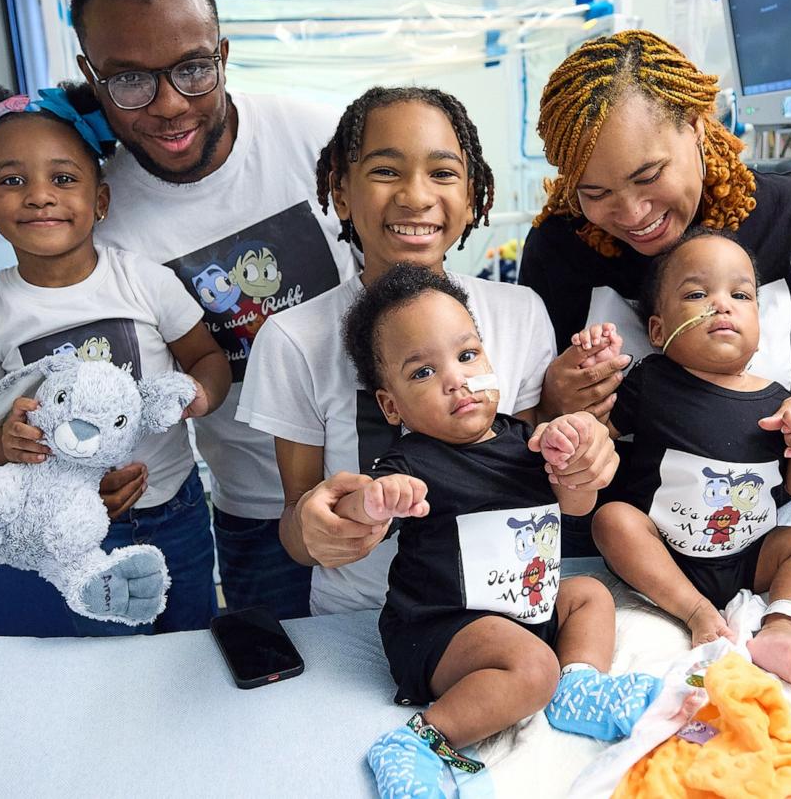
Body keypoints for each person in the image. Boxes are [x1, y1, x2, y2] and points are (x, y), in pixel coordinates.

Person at [238, 87, 615, 613]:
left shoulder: (520, 312)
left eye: (443, 173)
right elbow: (295, 526)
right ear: (341, 192)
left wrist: (580, 454)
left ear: (473, 193)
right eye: (386, 171)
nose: (416, 196)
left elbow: (527, 471)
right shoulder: (293, 339)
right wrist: (311, 532)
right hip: (358, 618)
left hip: (509, 609)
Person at [70, 0, 356, 618]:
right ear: (91, 76)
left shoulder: (321, 140)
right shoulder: (105, 223)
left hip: (392, 477)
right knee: (274, 695)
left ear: (222, 53)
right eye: (130, 80)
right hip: (258, 513)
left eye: (194, 69)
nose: (169, 105)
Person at [520, 29, 791, 554]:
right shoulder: (561, 245)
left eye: (648, 176)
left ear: (695, 125)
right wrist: (554, 397)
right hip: (606, 541)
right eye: (595, 193)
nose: (632, 214)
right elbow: (522, 414)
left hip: (758, 536)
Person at [335, 265, 659, 795]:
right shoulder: (410, 463)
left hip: (524, 611)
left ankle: (578, 685)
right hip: (444, 628)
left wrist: (574, 457)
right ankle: (421, 740)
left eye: (467, 356)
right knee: (531, 667)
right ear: (391, 405)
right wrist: (374, 499)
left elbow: (577, 506)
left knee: (588, 594)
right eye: (422, 373)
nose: (456, 380)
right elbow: (352, 508)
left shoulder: (527, 441)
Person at [0, 84, 232, 635]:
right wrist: (3, 445)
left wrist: (200, 394)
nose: (40, 196)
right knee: (110, 659)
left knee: (194, 642)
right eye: (12, 181)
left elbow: (206, 357)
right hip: (72, 528)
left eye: (64, 179)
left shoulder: (141, 280)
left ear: (100, 199)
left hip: (177, 508)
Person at [590, 228, 791, 688]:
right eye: (698, 294)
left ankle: (781, 629)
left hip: (749, 556)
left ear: (760, 330)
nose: (722, 305)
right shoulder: (653, 381)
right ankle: (695, 610)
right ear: (658, 330)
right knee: (613, 520)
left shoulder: (782, 403)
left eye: (741, 295)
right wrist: (582, 412)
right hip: (664, 554)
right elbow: (598, 438)